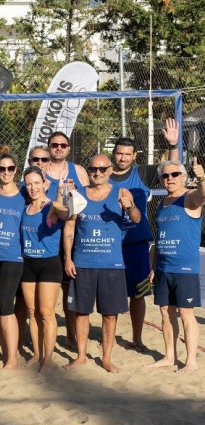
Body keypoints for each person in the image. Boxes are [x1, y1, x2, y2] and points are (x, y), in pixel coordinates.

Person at [63, 154, 138, 373]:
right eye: (93, 169)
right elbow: (69, 226)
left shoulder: (122, 193)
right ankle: (81, 356)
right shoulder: (77, 195)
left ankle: (106, 358)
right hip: (83, 262)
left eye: (102, 169)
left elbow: (136, 219)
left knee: (110, 314)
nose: (97, 173)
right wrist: (68, 258)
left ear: (110, 170)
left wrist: (130, 207)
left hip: (111, 264)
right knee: (81, 312)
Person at [110, 120, 180, 349]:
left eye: (127, 154)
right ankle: (109, 338)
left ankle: (137, 338)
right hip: (110, 243)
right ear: (114, 154)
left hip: (136, 243)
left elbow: (171, 168)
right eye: (119, 153)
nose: (122, 158)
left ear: (134, 156)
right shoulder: (102, 174)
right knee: (111, 294)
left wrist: (173, 144)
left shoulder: (142, 173)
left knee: (138, 294)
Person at [149, 158, 203, 371]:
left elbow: (203, 195)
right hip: (164, 267)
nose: (169, 178)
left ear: (184, 177)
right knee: (165, 311)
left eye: (174, 174)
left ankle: (191, 361)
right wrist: (154, 266)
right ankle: (169, 356)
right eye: (165, 175)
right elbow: (159, 238)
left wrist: (202, 178)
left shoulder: (189, 197)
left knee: (186, 313)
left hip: (184, 268)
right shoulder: (161, 203)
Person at [19, 166, 71, 371]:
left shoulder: (51, 206)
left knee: (47, 313)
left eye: (36, 183)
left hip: (49, 264)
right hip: (28, 263)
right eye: (29, 184)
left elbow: (63, 214)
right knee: (32, 312)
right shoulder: (25, 208)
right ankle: (37, 354)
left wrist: (60, 196)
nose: (33, 188)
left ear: (44, 184)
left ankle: (48, 359)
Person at [0, 151, 23, 369]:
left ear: (16, 170)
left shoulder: (23, 196)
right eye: (2, 169)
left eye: (10, 168)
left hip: (12, 257)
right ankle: (5, 351)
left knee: (7, 305)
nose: (6, 172)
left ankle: (13, 358)